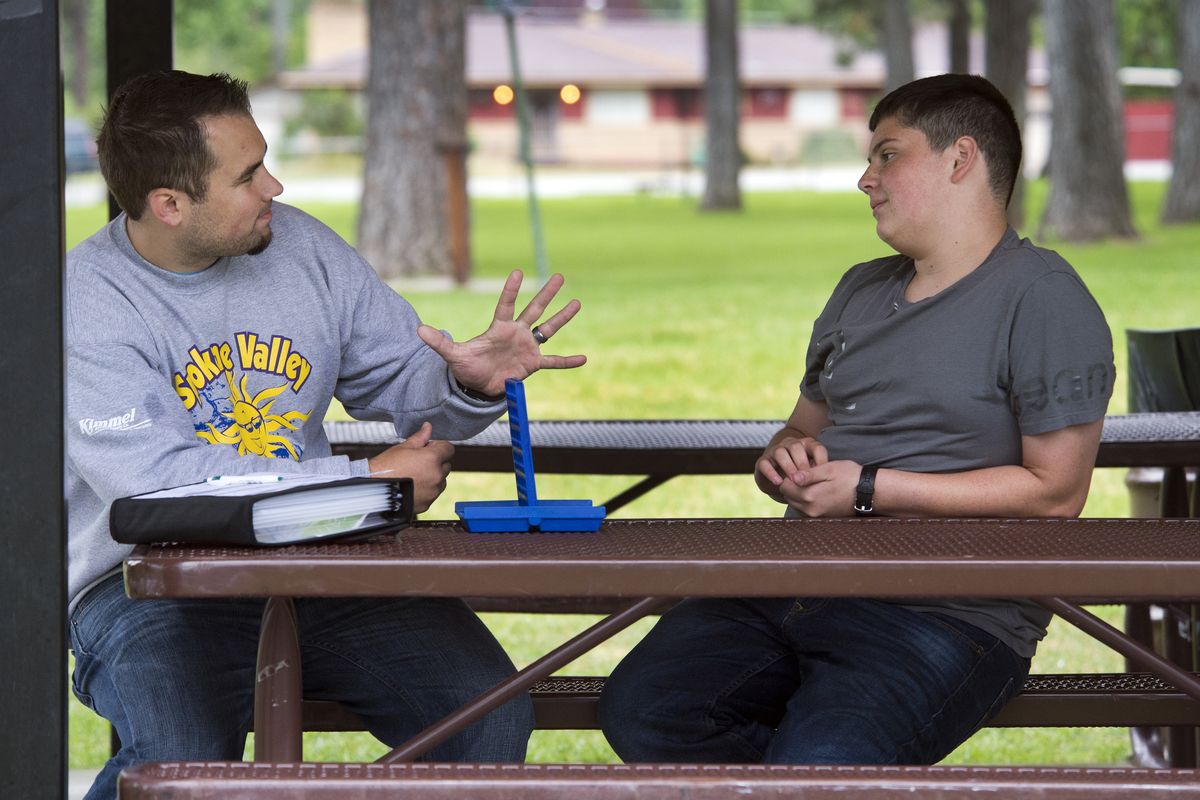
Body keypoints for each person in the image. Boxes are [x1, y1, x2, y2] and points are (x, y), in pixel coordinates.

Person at [67, 71, 584, 800]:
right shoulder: (88, 300)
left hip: (321, 565)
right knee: (179, 768)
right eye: (248, 176)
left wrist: (468, 382)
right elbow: (157, 488)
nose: (273, 187)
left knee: (484, 715)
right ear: (170, 205)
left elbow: (408, 391)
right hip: (146, 588)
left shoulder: (300, 247)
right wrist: (359, 486)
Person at [598, 74, 1115, 765]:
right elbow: (800, 428)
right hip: (792, 581)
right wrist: (784, 460)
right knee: (643, 711)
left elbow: (1056, 493)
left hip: (950, 612)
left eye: (887, 155)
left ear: (961, 159)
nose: (865, 179)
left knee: (826, 763)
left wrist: (869, 488)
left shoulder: (1043, 297)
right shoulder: (859, 289)